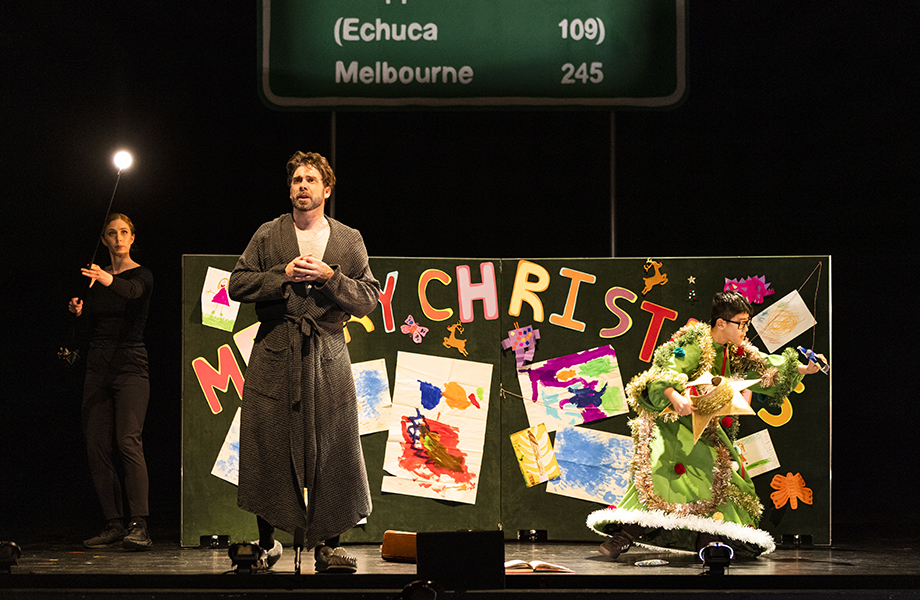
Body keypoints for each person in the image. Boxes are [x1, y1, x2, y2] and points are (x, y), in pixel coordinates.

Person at [228, 151, 380, 573]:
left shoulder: (348, 240)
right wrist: (283, 275)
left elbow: (369, 299)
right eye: (296, 179)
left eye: (311, 180)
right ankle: (266, 544)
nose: (302, 186)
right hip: (276, 351)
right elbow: (237, 283)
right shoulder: (268, 234)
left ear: (326, 189)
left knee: (334, 447)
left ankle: (328, 548)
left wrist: (331, 279)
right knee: (269, 444)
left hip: (327, 354)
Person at [587, 290, 824, 559]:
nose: (746, 329)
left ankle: (709, 541)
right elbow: (664, 370)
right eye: (741, 323)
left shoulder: (736, 352)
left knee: (723, 479)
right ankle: (624, 536)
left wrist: (804, 369)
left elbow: (763, 368)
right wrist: (675, 396)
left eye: (747, 323)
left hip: (706, 428)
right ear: (721, 323)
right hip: (673, 427)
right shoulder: (694, 343)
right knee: (664, 481)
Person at [68, 213, 154, 550]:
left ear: (132, 238)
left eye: (124, 233)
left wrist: (105, 278)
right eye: (111, 233)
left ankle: (139, 524)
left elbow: (132, 292)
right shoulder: (94, 280)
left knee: (128, 441)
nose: (118, 238)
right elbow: (88, 328)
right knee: (96, 446)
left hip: (131, 362)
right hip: (98, 363)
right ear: (104, 240)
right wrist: (78, 312)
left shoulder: (141, 274)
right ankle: (113, 522)